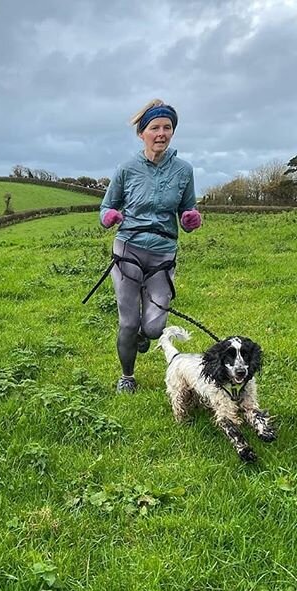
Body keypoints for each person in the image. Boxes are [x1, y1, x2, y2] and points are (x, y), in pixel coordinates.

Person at [99, 99, 201, 394]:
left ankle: (145, 335)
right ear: (142, 133)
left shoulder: (184, 170)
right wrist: (109, 216)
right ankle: (127, 376)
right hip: (128, 249)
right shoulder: (127, 169)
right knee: (128, 322)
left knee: (154, 327)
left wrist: (190, 219)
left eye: (167, 127)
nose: (161, 133)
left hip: (163, 254)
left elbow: (187, 210)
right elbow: (106, 206)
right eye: (154, 127)